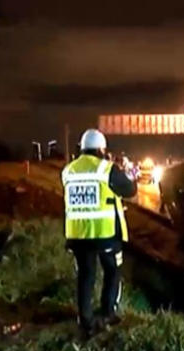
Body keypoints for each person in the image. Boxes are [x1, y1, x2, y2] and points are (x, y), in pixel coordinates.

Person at [62, 129, 137, 338]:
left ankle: (85, 320)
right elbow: (130, 190)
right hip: (105, 234)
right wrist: (128, 174)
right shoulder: (106, 169)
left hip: (77, 236)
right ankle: (108, 312)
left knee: (86, 275)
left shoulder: (68, 171)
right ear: (102, 150)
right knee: (112, 271)